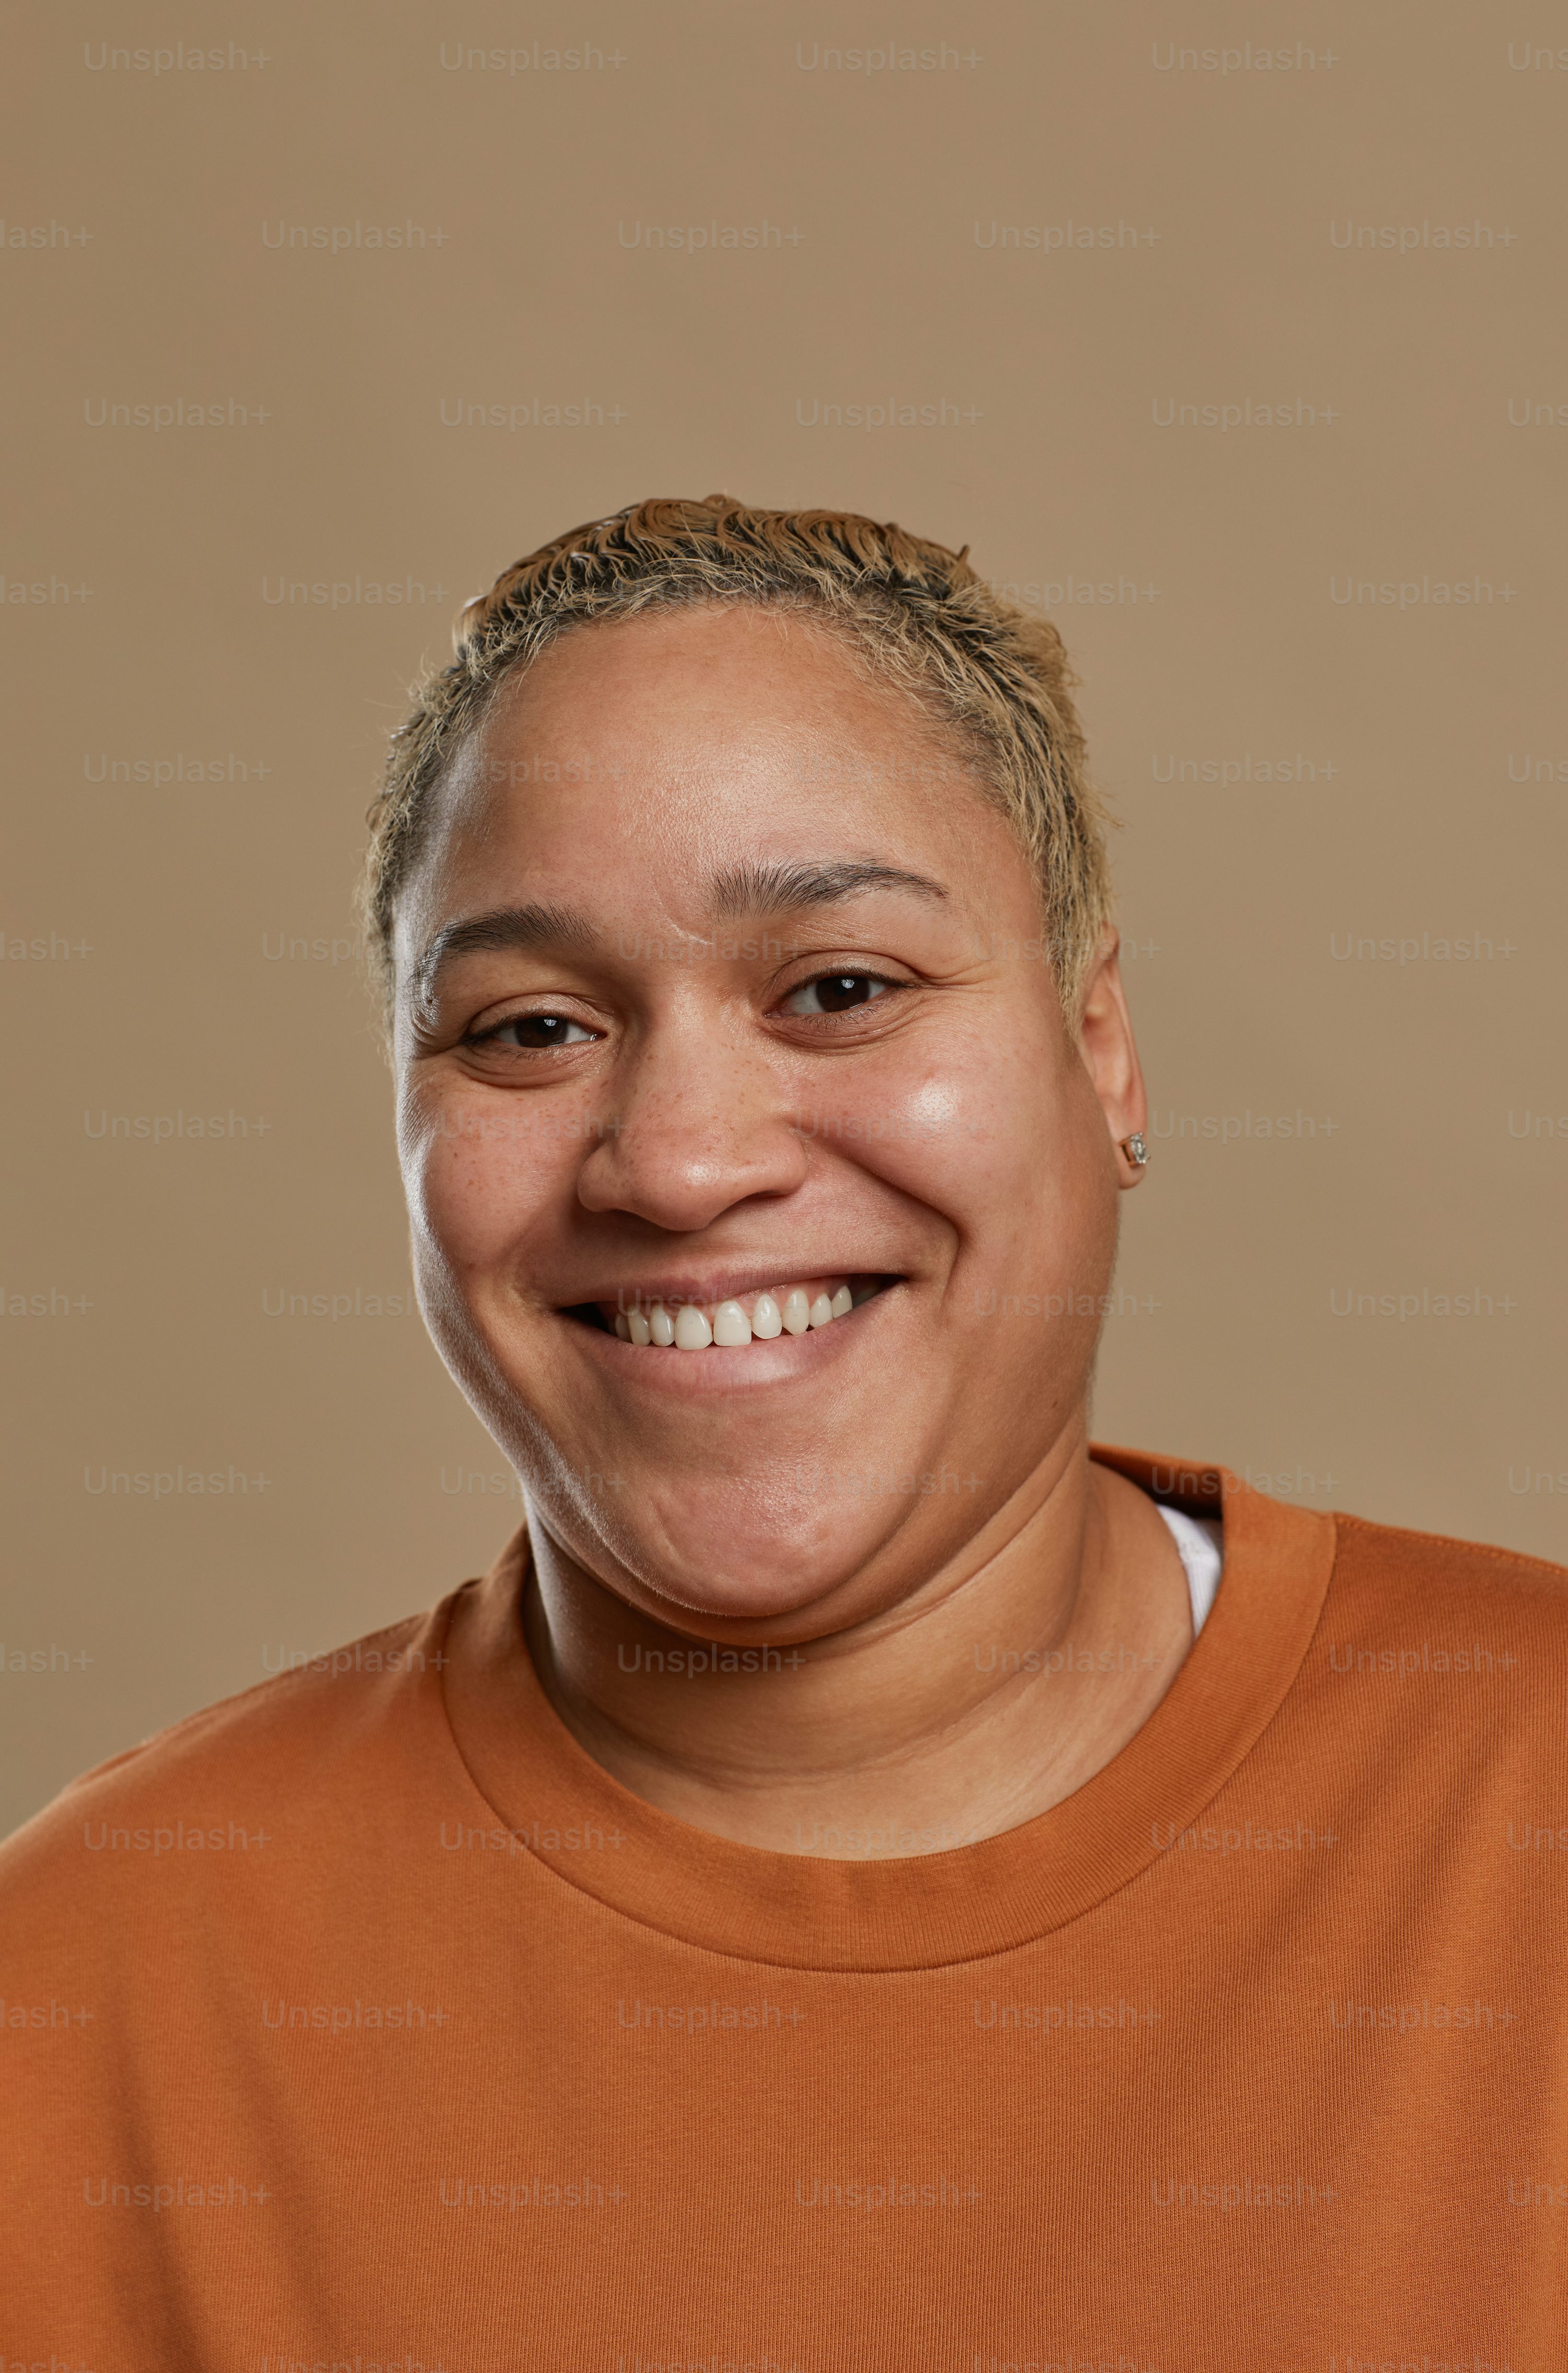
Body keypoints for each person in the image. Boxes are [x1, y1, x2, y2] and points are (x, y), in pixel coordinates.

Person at [3, 497, 1562, 2363]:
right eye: (527, 1029)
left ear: (1102, 1044)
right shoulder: (89, 1998)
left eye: (839, 988)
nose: (678, 1160)